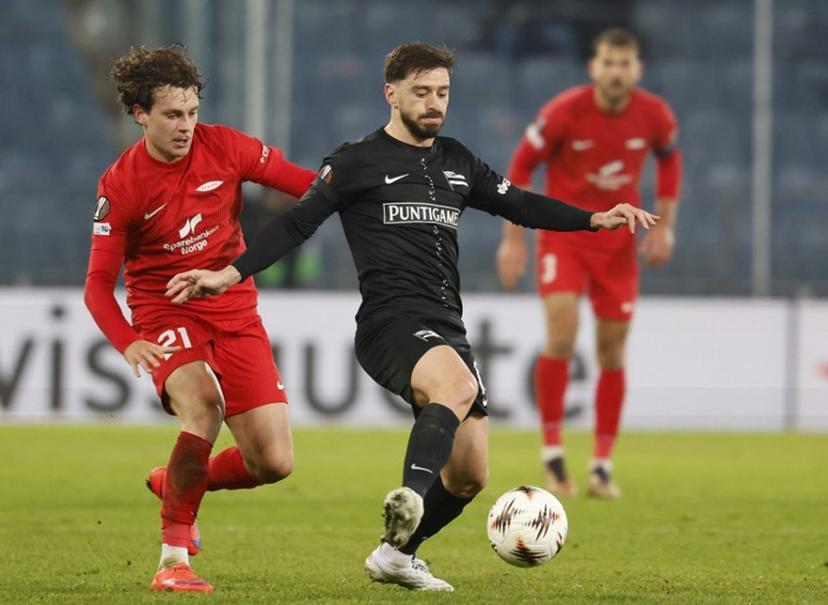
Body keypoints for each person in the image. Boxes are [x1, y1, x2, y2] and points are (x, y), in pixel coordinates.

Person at [165, 42, 657, 592]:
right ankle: (409, 497)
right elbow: (297, 223)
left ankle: (396, 555)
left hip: (448, 325)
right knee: (455, 386)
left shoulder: (458, 160)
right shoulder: (355, 162)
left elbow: (520, 203)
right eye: (421, 92)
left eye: (442, 92)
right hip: (390, 322)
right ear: (391, 94)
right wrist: (230, 273)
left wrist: (593, 218)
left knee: (469, 475)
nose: (434, 103)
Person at [82, 45, 316, 592]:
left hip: (234, 308)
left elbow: (309, 186)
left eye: (191, 111)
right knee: (204, 405)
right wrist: (128, 341)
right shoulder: (122, 184)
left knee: (273, 462)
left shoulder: (226, 147)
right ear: (140, 114)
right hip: (165, 309)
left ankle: (176, 480)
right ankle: (173, 560)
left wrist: (365, 190)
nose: (186, 126)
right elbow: (97, 286)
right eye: (172, 114)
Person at [496, 28, 682, 499]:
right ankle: (553, 456)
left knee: (612, 351)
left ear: (637, 69)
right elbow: (520, 166)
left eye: (624, 63)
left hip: (619, 245)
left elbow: (669, 161)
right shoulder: (564, 112)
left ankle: (601, 465)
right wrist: (513, 239)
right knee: (562, 334)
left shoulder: (655, 115)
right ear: (593, 67)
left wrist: (664, 227)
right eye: (608, 63)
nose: (616, 72)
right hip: (566, 238)